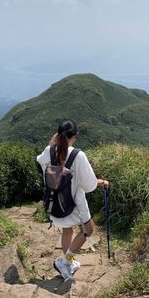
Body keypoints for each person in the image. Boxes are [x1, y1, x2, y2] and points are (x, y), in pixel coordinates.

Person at [37, 119, 109, 280]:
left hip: (55, 201)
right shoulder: (78, 155)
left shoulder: (49, 151)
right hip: (74, 202)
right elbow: (89, 185)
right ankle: (65, 261)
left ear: (57, 135)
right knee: (88, 230)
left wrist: (51, 143)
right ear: (74, 136)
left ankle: (67, 263)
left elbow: (40, 161)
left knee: (67, 229)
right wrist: (101, 182)